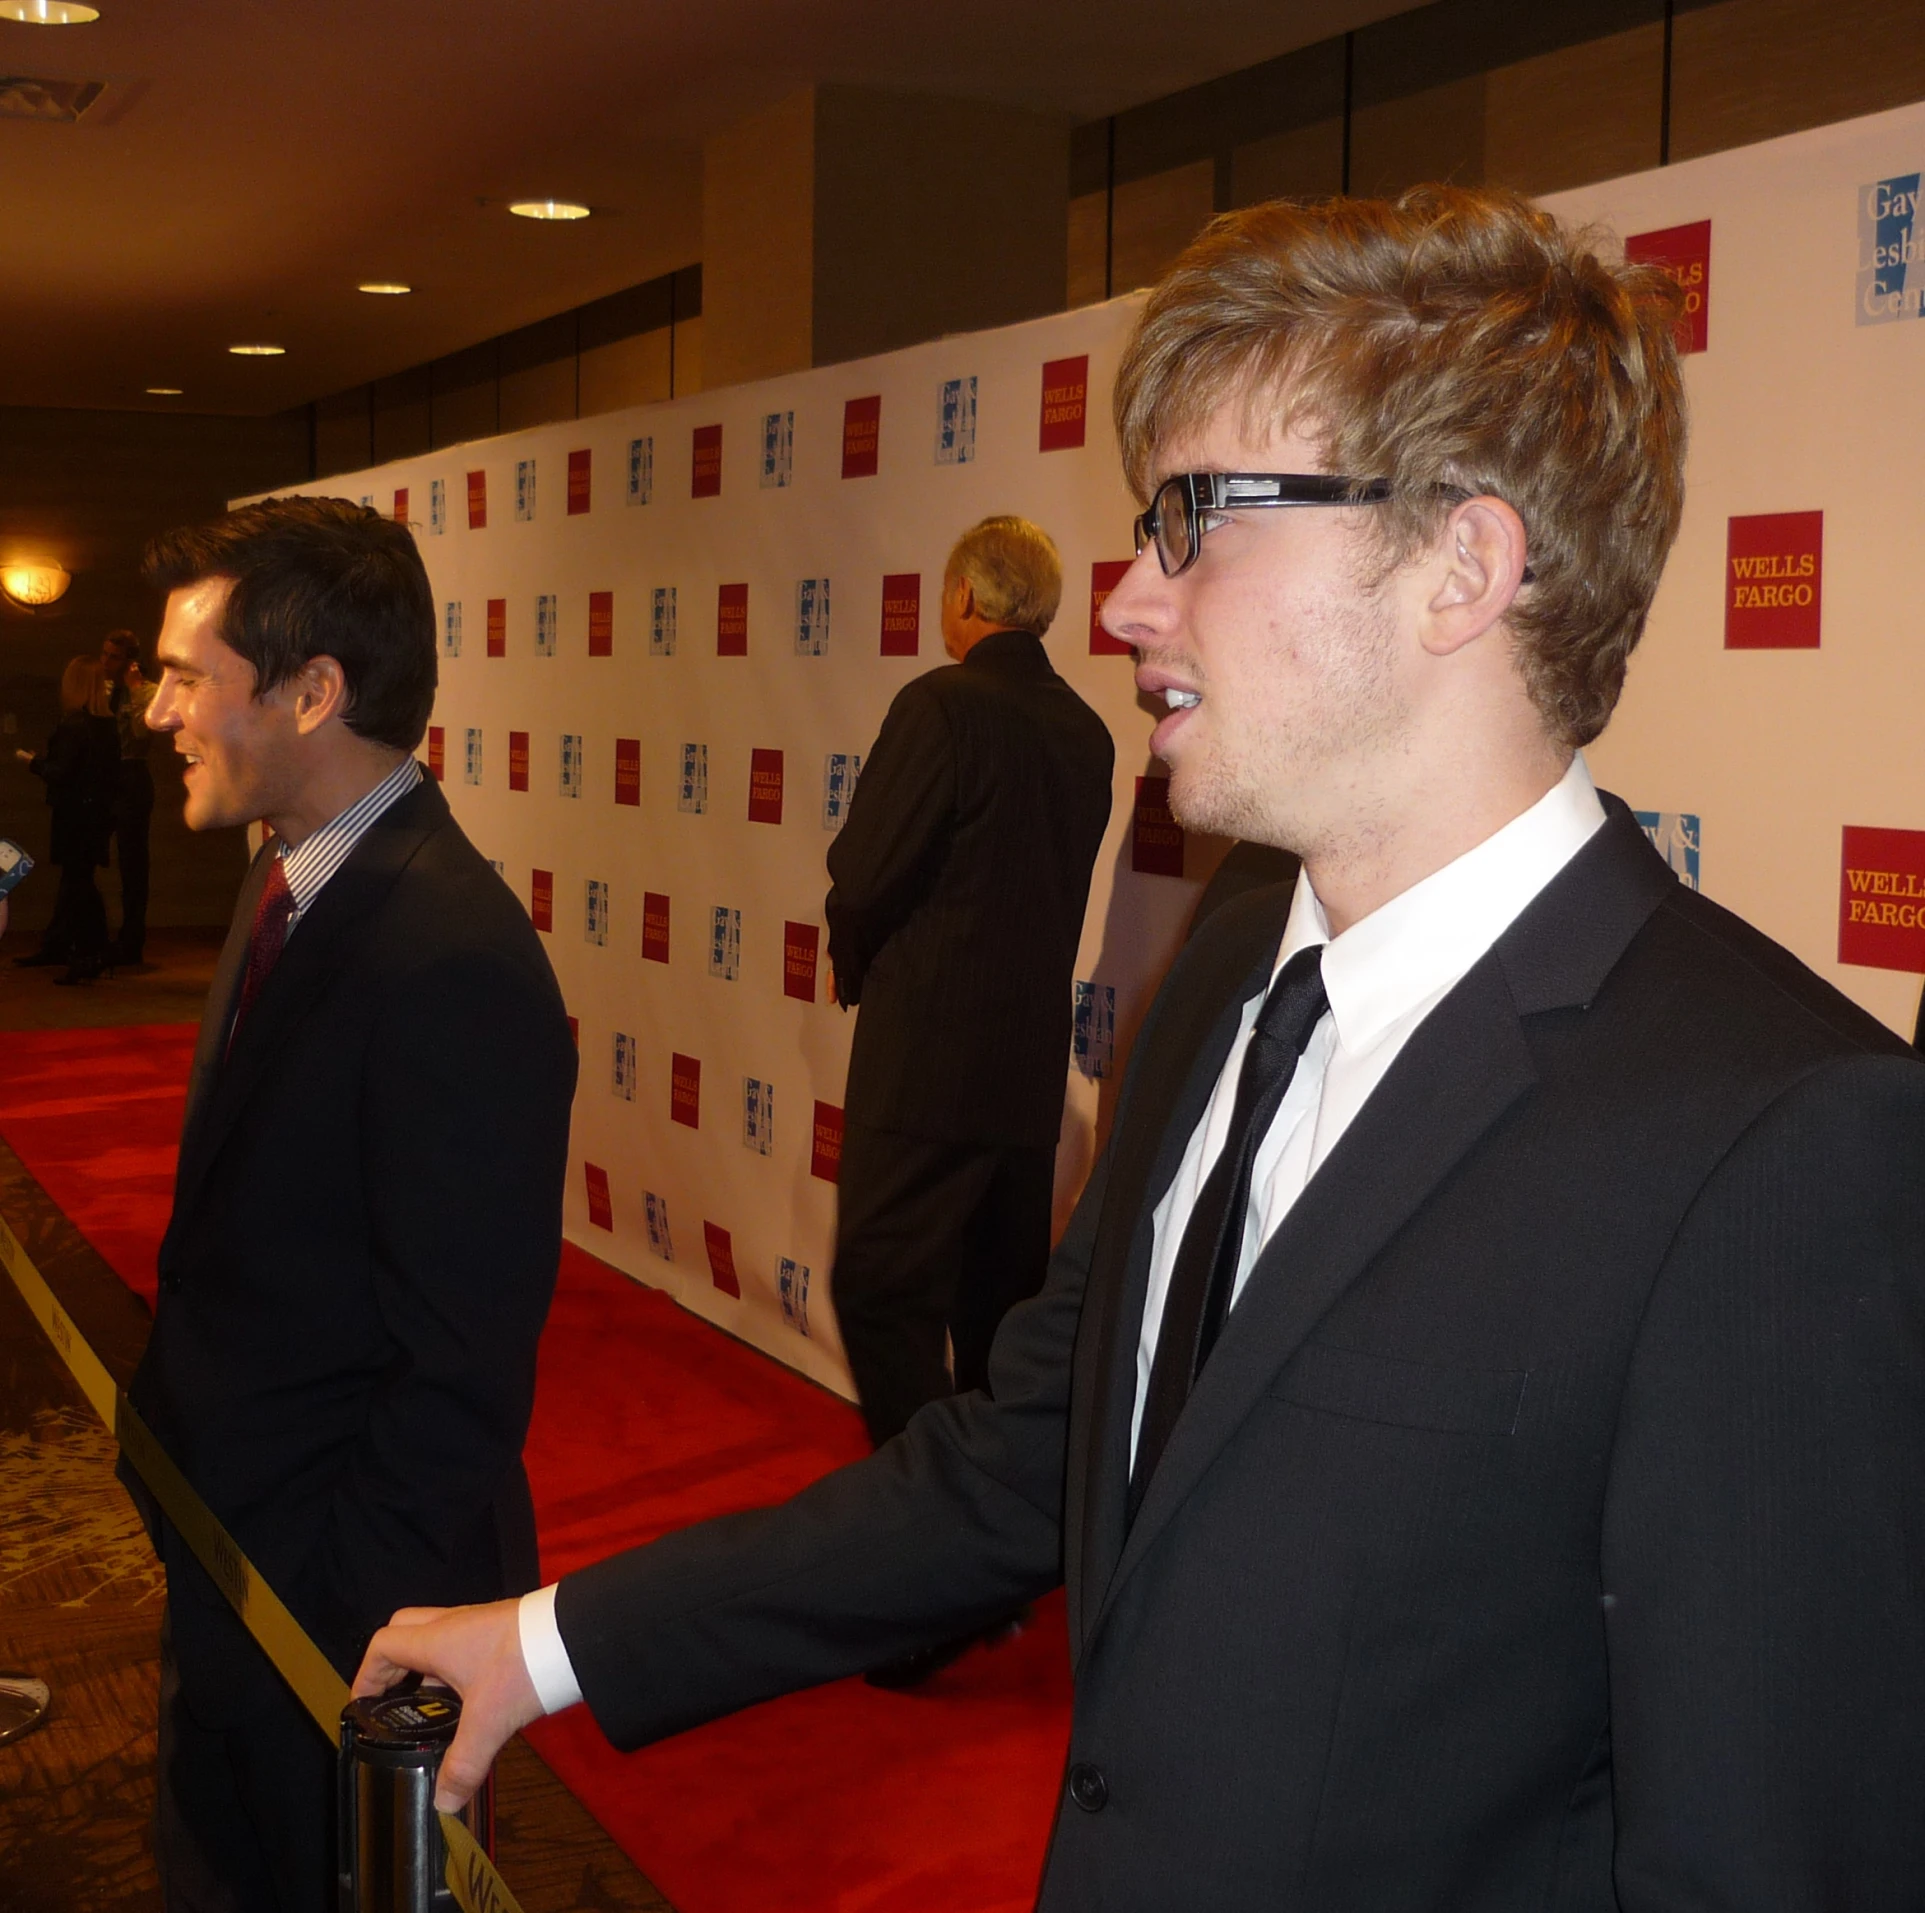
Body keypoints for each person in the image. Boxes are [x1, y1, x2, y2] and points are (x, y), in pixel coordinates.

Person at [355, 188, 1925, 1907]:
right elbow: (1027, 1458)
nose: (1122, 601)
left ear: (1463, 566)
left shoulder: (1779, 1137)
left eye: (1197, 519)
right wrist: (552, 1640)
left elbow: (1772, 1856)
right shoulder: (1239, 957)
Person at [123, 496, 577, 1912]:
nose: (158, 713)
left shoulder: (452, 958)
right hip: (237, 1569)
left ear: (315, 692)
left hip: (341, 1630)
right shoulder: (286, 879)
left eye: (188, 675)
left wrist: (323, 1628)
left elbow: (459, 1374)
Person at [825, 515, 1114, 1464]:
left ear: (963, 600)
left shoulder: (940, 705)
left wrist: (856, 963)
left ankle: (923, 1511)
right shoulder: (1088, 733)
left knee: (881, 1291)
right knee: (997, 1311)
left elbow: (863, 872)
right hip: (1024, 1076)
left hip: (923, 1069)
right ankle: (983, 1519)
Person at [14, 655, 120, 983]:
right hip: (97, 816)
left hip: (74, 816)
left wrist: (33, 763)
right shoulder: (107, 726)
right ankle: (61, 945)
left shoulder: (74, 725)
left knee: (79, 885)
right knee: (76, 881)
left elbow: (61, 773)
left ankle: (91, 954)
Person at [100, 628, 159, 967]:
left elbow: (140, 733)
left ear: (130, 662)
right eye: (104, 654)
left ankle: (131, 940)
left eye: (114, 657)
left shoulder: (146, 692)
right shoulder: (101, 689)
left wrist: (136, 692)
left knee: (133, 864)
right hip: (101, 777)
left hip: (131, 775)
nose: (106, 662)